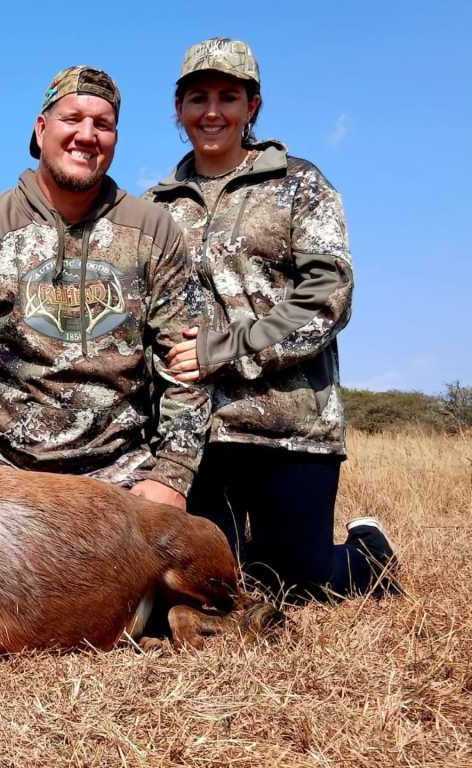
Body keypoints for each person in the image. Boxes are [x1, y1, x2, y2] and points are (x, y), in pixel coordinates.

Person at [144, 38, 399, 601]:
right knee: (212, 581)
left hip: (291, 428)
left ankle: (370, 552)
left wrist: (224, 349)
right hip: (198, 433)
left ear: (252, 106)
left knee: (297, 584)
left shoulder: (300, 184)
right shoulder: (155, 206)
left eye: (228, 97)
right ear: (179, 109)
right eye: (198, 98)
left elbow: (327, 297)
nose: (212, 112)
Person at [0, 66, 210, 509]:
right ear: (41, 128)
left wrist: (172, 475)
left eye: (103, 124)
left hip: (124, 481)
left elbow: (187, 362)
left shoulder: (154, 232)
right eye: (72, 119)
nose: (87, 135)